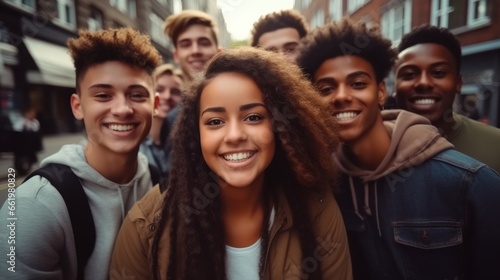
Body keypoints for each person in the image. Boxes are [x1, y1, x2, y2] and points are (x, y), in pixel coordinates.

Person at [110, 47, 353, 280]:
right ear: (196, 135)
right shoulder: (145, 226)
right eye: (215, 121)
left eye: (254, 117)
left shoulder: (318, 210)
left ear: (280, 127)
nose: (235, 135)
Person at [297, 18, 500, 279]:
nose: (341, 96)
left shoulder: (470, 183)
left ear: (381, 92)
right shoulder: (327, 184)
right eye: (326, 89)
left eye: (358, 84)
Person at [0, 27, 162, 279]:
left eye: (137, 95)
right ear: (78, 106)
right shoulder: (33, 206)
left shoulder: (154, 180)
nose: (122, 109)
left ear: (156, 105)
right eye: (103, 95)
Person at [394, 24, 500, 173]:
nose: (424, 83)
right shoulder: (372, 149)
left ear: (458, 83)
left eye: (438, 73)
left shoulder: (496, 146)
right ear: (394, 87)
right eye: (409, 74)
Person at [160, 10, 221, 172]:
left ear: (218, 51)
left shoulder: (243, 101)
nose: (195, 50)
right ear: (176, 55)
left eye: (204, 42)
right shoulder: (171, 120)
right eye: (186, 44)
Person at [140, 64, 183, 181]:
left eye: (175, 92)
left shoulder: (183, 145)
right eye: (159, 89)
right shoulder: (135, 143)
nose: (167, 96)